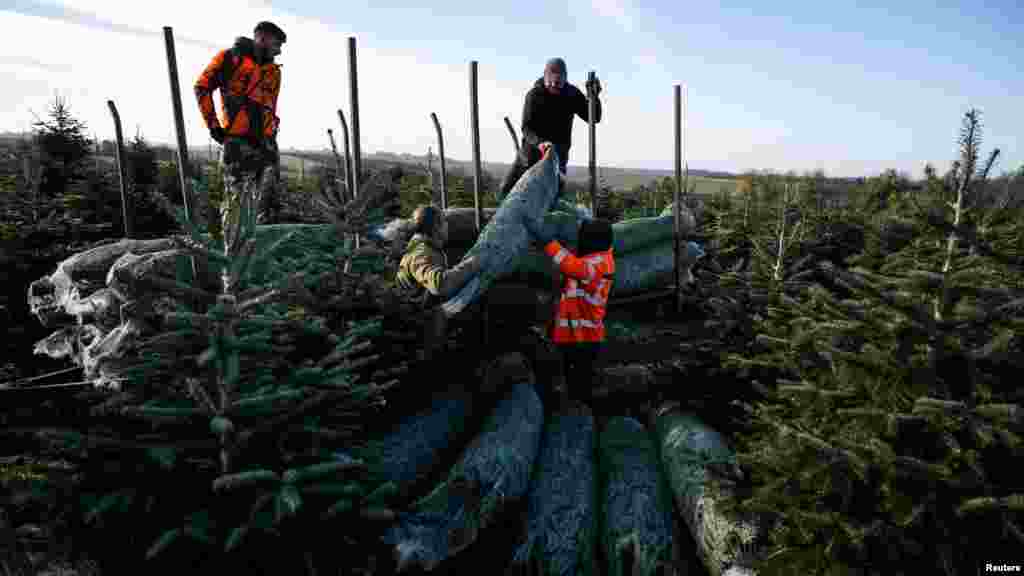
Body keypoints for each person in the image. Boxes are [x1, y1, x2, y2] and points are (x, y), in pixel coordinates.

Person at [194, 21, 287, 274]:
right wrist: (213, 125)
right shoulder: (229, 59)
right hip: (238, 143)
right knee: (234, 205)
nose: (279, 51)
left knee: (256, 207)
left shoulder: (273, 71)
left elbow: (271, 106)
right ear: (263, 38)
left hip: (265, 145)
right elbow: (201, 87)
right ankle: (230, 268)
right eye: (277, 44)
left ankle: (249, 266)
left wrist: (272, 138)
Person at [522, 214, 615, 408]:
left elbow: (572, 266)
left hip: (585, 338)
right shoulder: (592, 259)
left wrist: (548, 242)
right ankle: (572, 405)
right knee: (569, 376)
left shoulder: (600, 262)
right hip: (571, 336)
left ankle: (583, 413)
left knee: (581, 382)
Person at [497, 58, 603, 201]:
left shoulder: (571, 94)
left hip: (558, 154)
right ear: (545, 77)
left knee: (552, 199)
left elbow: (593, 117)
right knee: (506, 191)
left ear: (565, 78)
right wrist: (540, 143)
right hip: (531, 153)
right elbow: (526, 128)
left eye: (558, 83)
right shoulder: (534, 95)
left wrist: (594, 97)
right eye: (551, 83)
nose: (554, 86)